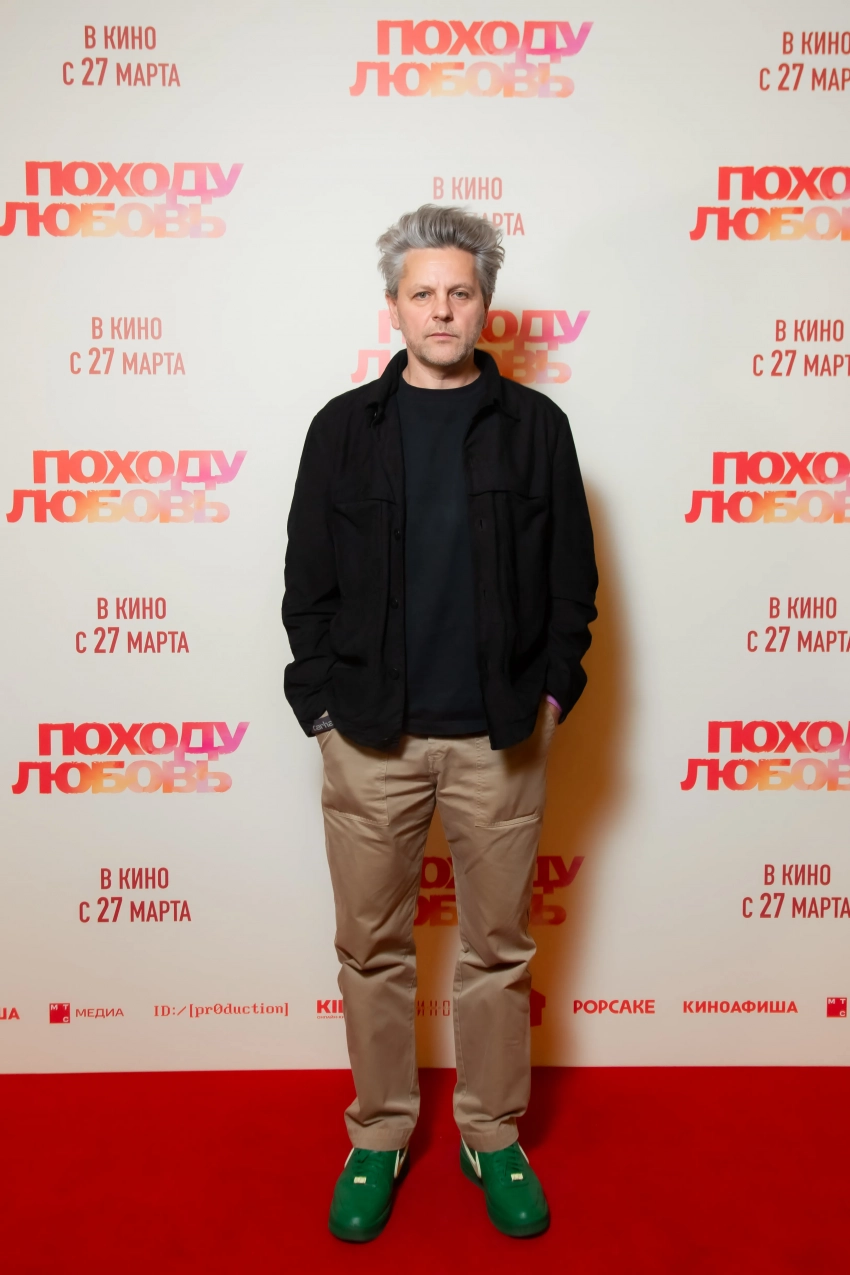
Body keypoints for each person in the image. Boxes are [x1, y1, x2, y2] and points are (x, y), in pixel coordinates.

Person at [282, 204, 597, 1242]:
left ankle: (489, 1133)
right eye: (423, 293)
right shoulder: (341, 430)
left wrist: (550, 694)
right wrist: (321, 711)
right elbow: (307, 589)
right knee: (369, 948)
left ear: (485, 303)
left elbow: (572, 586)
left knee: (497, 950)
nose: (442, 310)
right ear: (395, 305)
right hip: (367, 739)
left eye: (460, 292)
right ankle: (378, 1133)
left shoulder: (537, 429)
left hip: (498, 739)